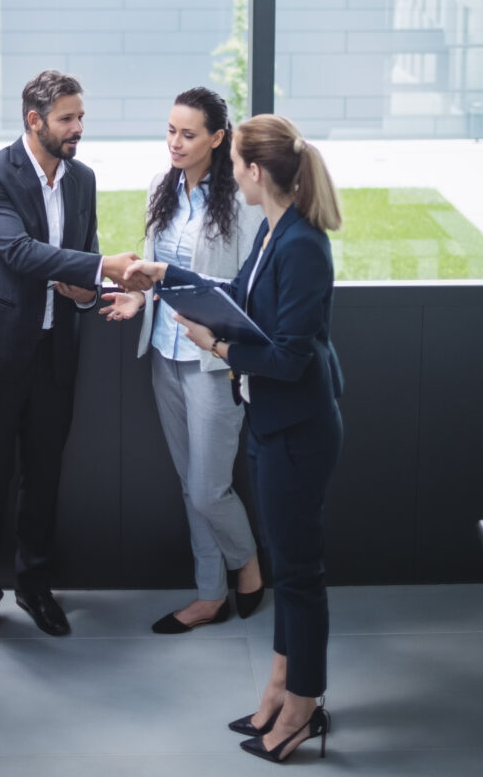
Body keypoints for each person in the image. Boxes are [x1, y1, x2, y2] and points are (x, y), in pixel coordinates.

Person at [123, 114, 344, 765]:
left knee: (300, 576)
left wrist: (217, 344)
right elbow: (239, 297)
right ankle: (281, 685)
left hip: (298, 428)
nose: (232, 174)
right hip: (273, 422)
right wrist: (166, 279)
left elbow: (291, 357)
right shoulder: (275, 232)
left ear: (252, 169)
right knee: (294, 568)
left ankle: (303, 704)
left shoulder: (302, 243)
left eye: (237, 163)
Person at [0, 69, 145, 663]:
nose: (78, 129)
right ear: (34, 121)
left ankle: (34, 587)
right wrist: (100, 267)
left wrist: (84, 290)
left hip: (57, 350)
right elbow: (17, 252)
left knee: (44, 475)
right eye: (67, 119)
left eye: (81, 117)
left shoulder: (82, 179)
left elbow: (78, 252)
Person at [101, 86, 264, 632]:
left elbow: (245, 287)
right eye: (170, 130)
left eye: (188, 134)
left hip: (212, 361)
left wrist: (196, 306)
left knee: (207, 487)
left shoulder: (240, 201)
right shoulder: (160, 187)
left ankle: (248, 564)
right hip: (163, 354)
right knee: (186, 481)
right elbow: (153, 269)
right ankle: (208, 594)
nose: (174, 142)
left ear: (218, 139)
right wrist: (138, 296)